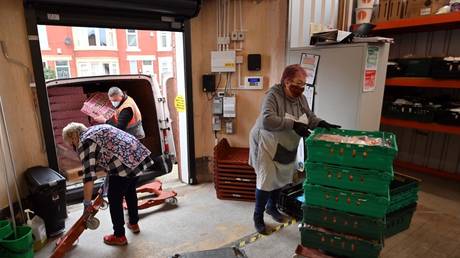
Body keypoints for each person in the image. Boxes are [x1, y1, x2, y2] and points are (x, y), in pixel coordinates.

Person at [248, 64, 340, 234]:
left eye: (304, 84)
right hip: (266, 143)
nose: (301, 88)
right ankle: (258, 216)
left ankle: (272, 207)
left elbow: (309, 117)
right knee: (266, 180)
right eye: (298, 83)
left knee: (281, 178)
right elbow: (267, 120)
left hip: (285, 144)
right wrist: (293, 124)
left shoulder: (300, 99)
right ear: (286, 81)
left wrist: (321, 123)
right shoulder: (273, 95)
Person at [62, 123, 166, 246]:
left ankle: (119, 236)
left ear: (74, 137)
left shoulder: (85, 142)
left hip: (125, 165)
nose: (74, 147)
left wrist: (86, 203)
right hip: (137, 156)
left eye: (72, 144)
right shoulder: (98, 129)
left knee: (114, 199)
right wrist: (107, 182)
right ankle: (134, 223)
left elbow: (88, 177)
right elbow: (111, 156)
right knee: (130, 190)